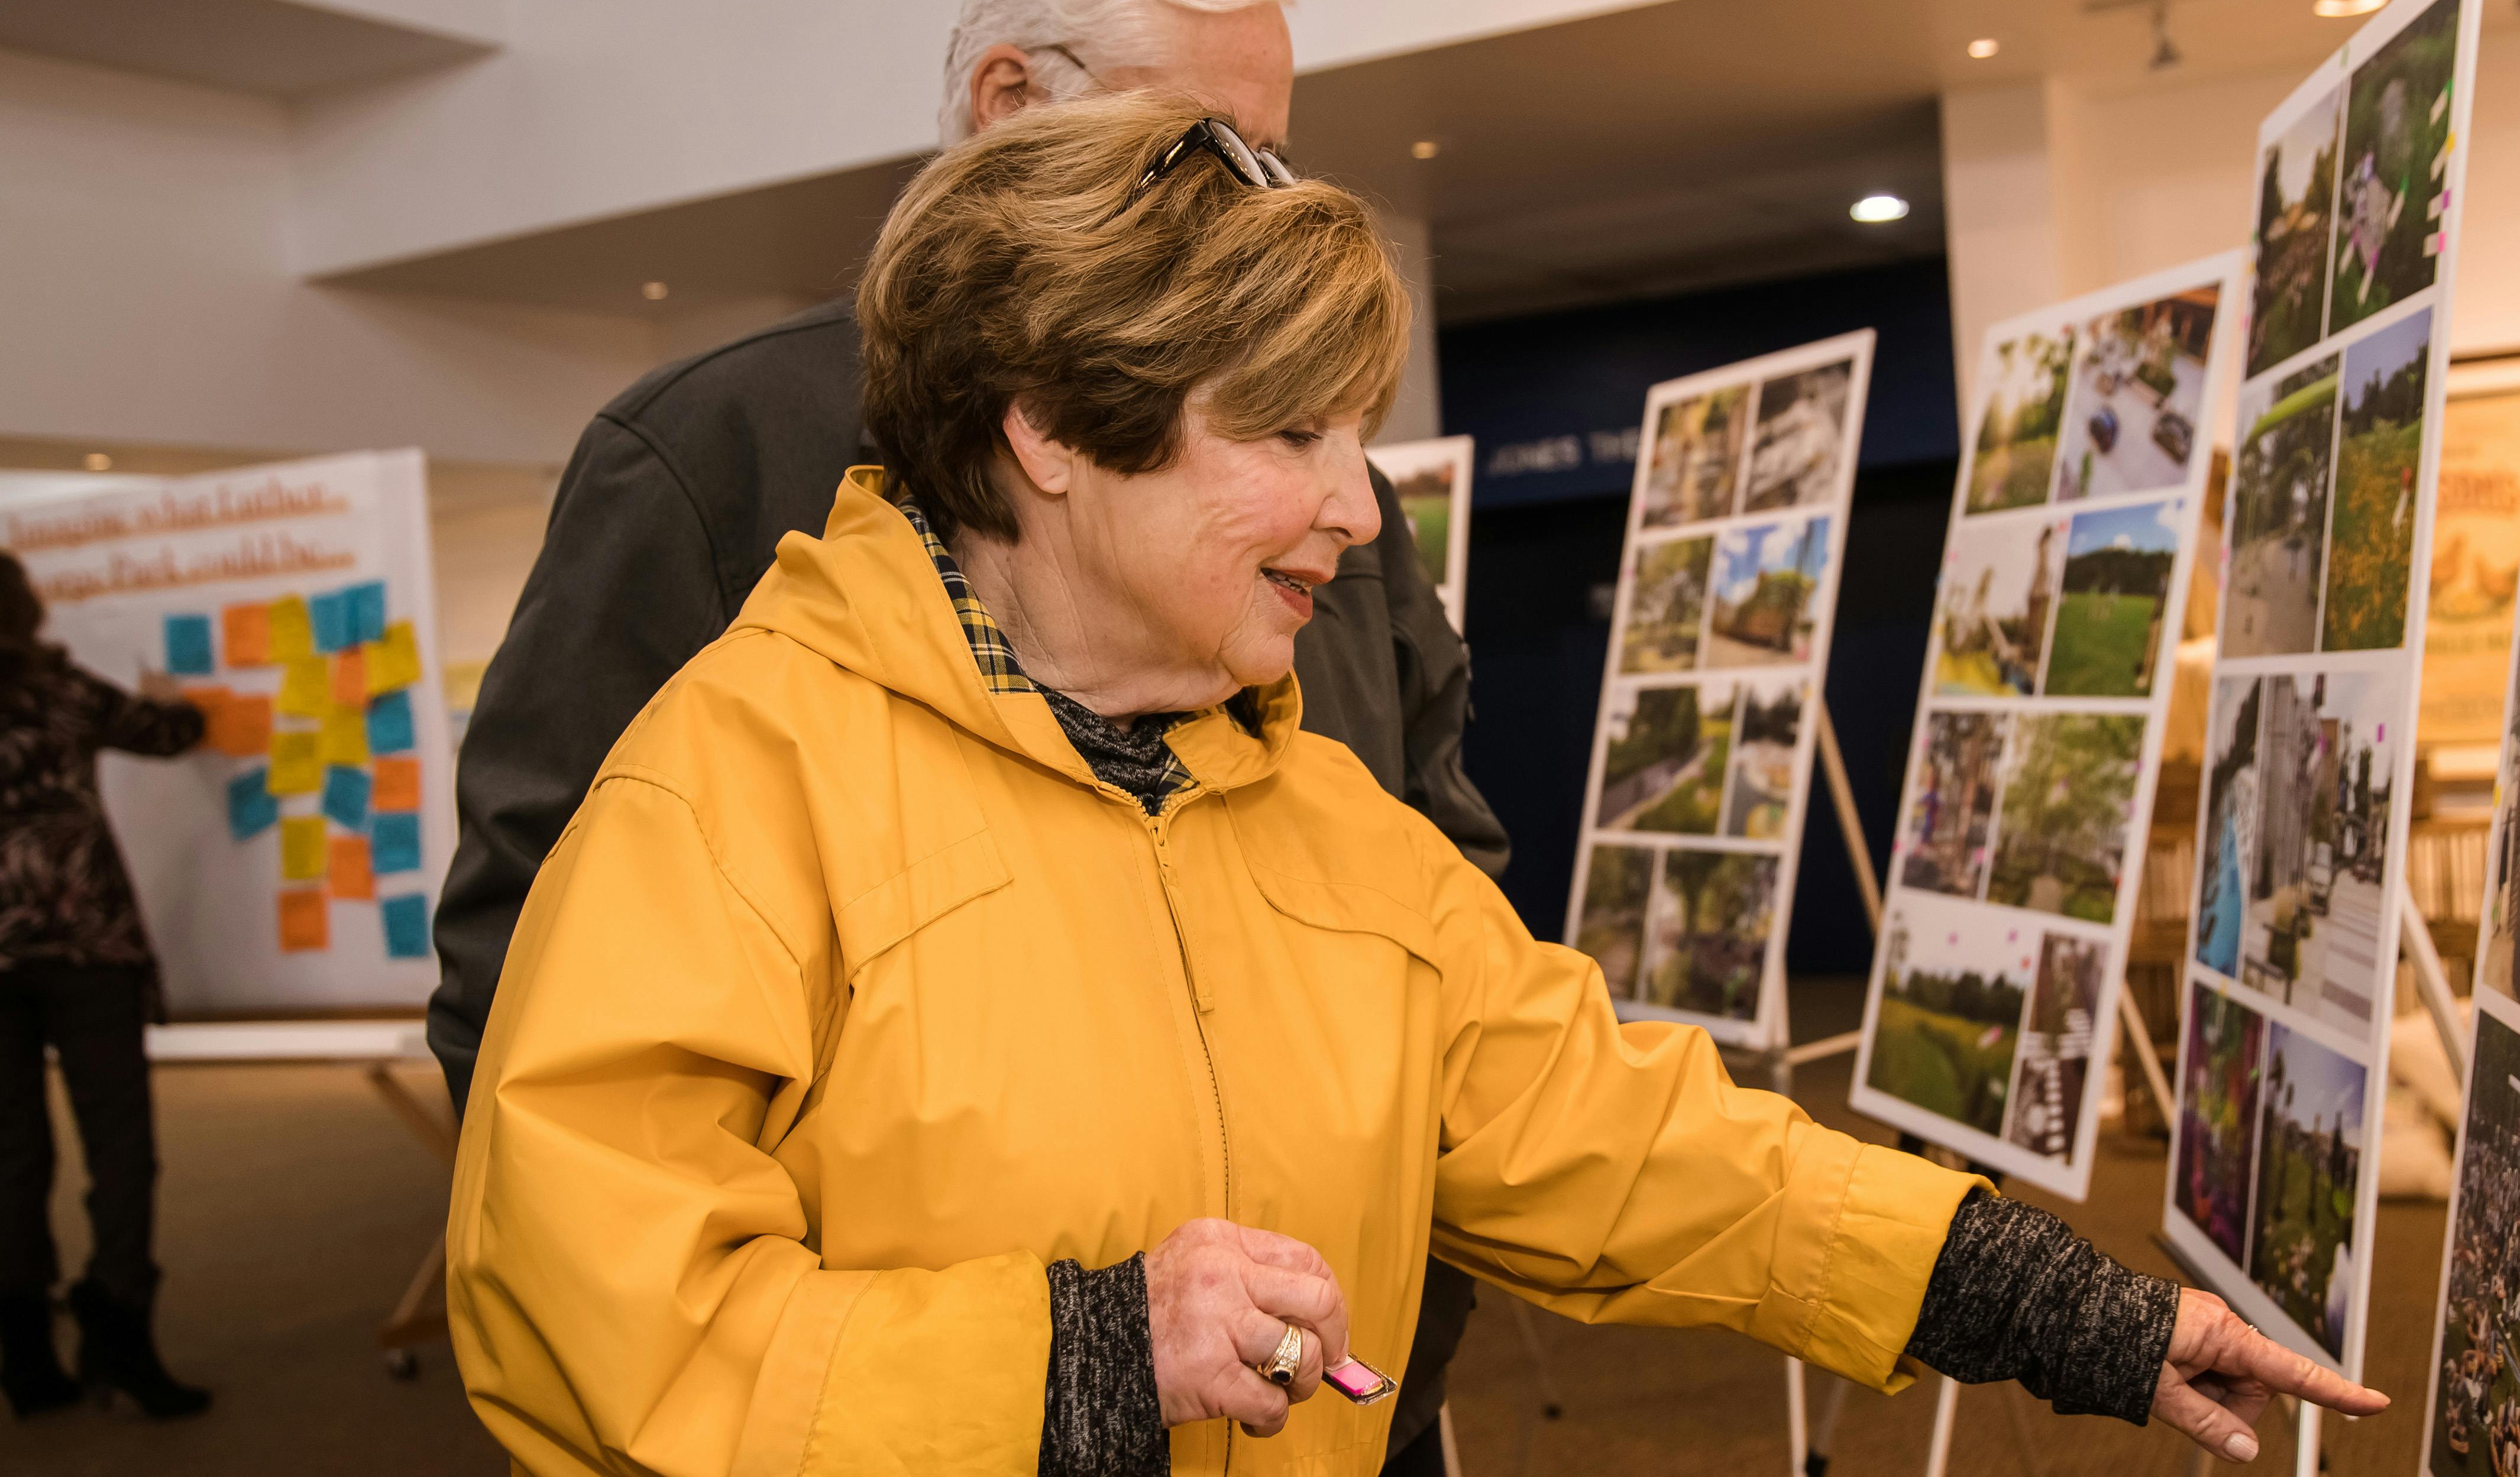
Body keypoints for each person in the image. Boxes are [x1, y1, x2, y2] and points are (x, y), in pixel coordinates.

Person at [447, 92, 2386, 1477]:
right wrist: (1079, 1360)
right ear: (1046, 434)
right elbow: (599, 1331)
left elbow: (1650, 1158)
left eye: (1358, 435)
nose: (1357, 510)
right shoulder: (731, 792)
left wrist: (2067, 1314)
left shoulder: (1329, 834)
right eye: (1286, 432)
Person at [425, 0, 1497, 1466]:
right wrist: (1007, 1372)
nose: (1253, 203)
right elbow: (542, 1017)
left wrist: (1403, 1301)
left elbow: (1446, 885)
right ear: (1009, 102)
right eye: (1208, 146)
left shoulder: (1337, 514)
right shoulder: (707, 463)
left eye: (1280, 158)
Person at [0, 552, 212, 1421]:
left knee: (10, 1155)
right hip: (90, 946)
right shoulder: (60, 691)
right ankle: (120, 1324)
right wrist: (172, 699)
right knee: (121, 1146)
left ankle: (25, 1354)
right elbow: (172, 733)